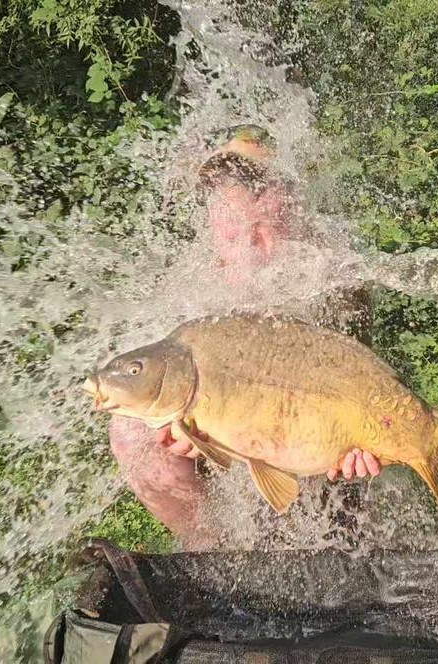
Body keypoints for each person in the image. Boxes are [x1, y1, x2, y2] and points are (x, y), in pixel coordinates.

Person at [107, 125, 382, 546]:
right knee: (130, 431)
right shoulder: (194, 285)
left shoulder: (331, 281)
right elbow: (160, 382)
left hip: (311, 435)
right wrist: (186, 426)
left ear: (291, 204)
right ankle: (209, 549)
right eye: (233, 226)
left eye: (262, 219)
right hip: (227, 429)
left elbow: (363, 390)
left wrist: (355, 444)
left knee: (337, 496)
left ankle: (332, 539)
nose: (249, 240)